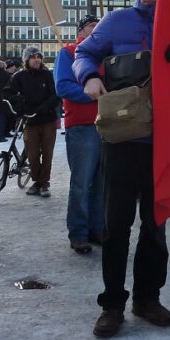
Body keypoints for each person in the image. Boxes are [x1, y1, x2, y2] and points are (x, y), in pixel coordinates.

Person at [74, 0, 170, 338]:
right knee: (115, 226)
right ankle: (113, 304)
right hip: (122, 139)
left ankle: (147, 299)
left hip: (164, 143)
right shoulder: (116, 22)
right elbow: (83, 53)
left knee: (155, 226)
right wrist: (87, 77)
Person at [54, 14, 104, 254]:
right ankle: (79, 233)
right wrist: (92, 93)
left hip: (107, 125)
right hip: (82, 125)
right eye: (92, 26)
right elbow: (63, 85)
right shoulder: (68, 53)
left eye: (99, 26)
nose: (97, 30)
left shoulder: (106, 55)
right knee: (82, 183)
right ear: (82, 31)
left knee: (102, 182)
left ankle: (97, 228)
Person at [3, 46, 60, 198]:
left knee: (47, 153)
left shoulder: (48, 75)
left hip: (47, 119)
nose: (37, 60)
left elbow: (56, 94)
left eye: (39, 57)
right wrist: (18, 103)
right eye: (33, 57)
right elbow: (8, 92)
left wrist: (44, 107)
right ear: (26, 60)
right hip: (29, 121)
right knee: (33, 154)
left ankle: (44, 183)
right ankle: (36, 181)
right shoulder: (19, 77)